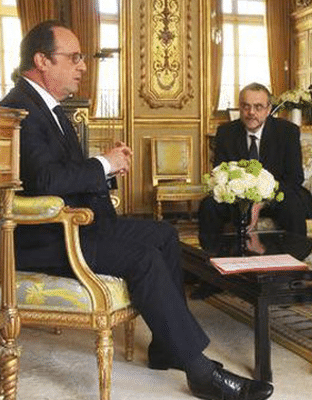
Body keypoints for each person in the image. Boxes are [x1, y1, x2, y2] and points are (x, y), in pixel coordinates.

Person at [1, 20, 273, 400]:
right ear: (42, 60)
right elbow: (45, 182)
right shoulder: (17, 109)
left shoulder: (50, 108)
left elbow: (64, 174)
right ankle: (200, 372)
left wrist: (107, 168)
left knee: (163, 235)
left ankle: (167, 346)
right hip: (45, 236)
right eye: (74, 57)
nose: (82, 66)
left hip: (79, 225)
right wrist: (103, 165)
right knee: (143, 258)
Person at [197, 82, 312, 239]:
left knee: (293, 204)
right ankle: (214, 256)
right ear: (239, 107)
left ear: (268, 110)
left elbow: (295, 178)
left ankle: (294, 256)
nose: (251, 112)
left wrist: (260, 204)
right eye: (245, 106)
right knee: (208, 205)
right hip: (237, 198)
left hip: (277, 196)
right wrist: (244, 203)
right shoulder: (226, 132)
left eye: (258, 107)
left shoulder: (287, 132)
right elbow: (221, 174)